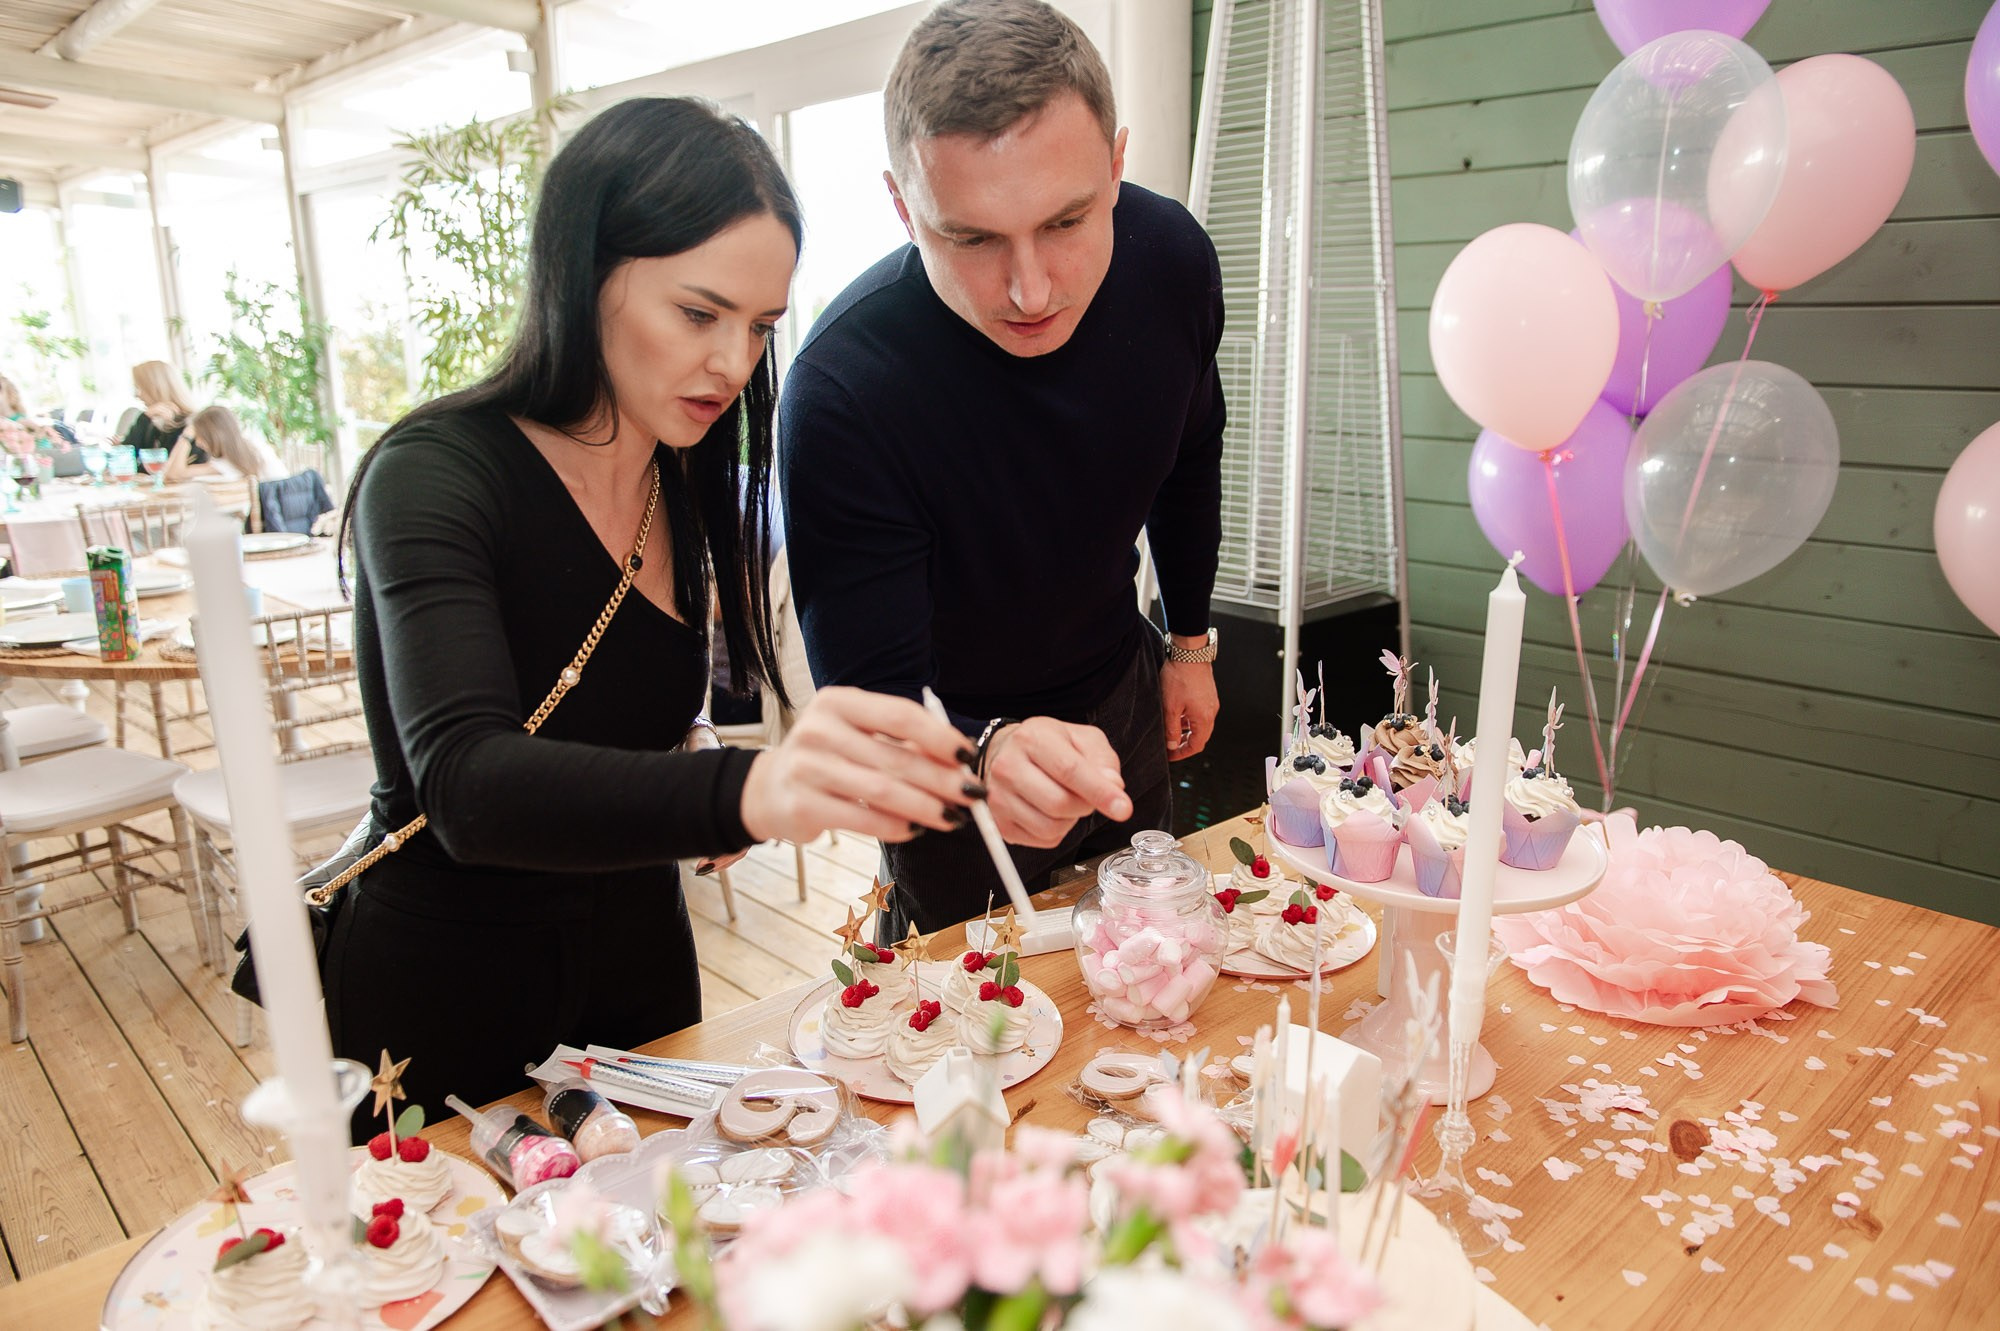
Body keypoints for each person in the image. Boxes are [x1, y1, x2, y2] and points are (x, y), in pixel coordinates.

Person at [326, 97, 980, 1137]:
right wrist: (749, 785)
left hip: (636, 970)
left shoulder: (678, 473)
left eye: (761, 327)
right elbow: (465, 779)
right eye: (699, 313)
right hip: (450, 987)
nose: (734, 362)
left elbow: (618, 698)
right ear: (585, 271)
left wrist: (695, 739)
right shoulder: (434, 476)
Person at [779, 0, 1225, 939]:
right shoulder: (844, 392)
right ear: (904, 209)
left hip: (1125, 691)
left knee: (1150, 973)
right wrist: (982, 758)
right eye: (972, 238)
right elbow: (873, 714)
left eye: (1067, 220)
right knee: (971, 1031)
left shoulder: (1175, 261)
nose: (1031, 289)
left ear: (1116, 164)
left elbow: (1189, 450)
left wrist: (1188, 641)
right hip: (952, 758)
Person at [121, 359, 205, 472]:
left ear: (155, 388)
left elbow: (167, 469)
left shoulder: (192, 425)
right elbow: (123, 461)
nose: (137, 396)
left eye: (140, 389)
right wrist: (144, 419)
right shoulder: (152, 422)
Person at [167, 405, 285, 483]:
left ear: (214, 436)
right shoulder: (252, 447)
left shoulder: (227, 463)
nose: (197, 443)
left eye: (200, 436)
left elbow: (175, 474)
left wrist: (185, 438)